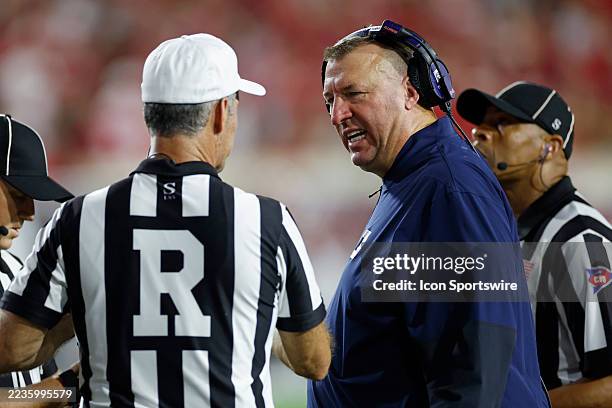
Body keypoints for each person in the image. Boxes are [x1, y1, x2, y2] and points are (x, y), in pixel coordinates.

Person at [0, 33, 331, 407]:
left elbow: (11, 348)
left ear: (149, 114)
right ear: (222, 111)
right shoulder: (267, 219)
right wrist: (248, 317)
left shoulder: (77, 219)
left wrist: (93, 305)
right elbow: (314, 361)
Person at [307, 21, 550, 407]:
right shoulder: (412, 182)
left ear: (410, 90)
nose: (338, 115)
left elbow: (475, 360)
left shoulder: (448, 189)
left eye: (353, 94)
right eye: (329, 101)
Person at [458, 81, 612, 408]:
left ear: (550, 146)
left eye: (501, 123)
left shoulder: (580, 240)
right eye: (482, 124)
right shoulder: (507, 233)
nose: (479, 133)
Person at [0, 114, 78, 407]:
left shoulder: (14, 268)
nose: (30, 212)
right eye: (19, 195)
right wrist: (63, 386)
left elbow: (34, 384)